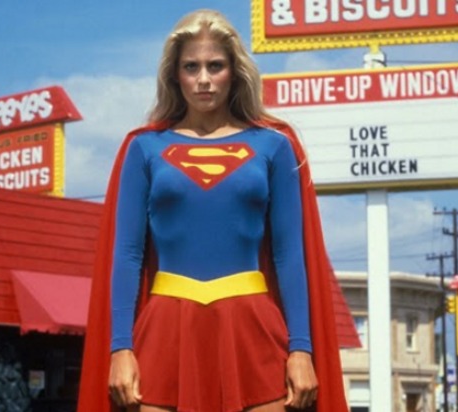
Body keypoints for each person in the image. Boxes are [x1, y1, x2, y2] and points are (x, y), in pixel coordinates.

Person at [78, 9, 349, 412]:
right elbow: (128, 255)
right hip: (165, 330)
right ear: (175, 75)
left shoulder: (274, 146)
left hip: (253, 329)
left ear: (234, 72)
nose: (203, 79)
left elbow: (290, 254)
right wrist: (120, 348)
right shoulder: (143, 148)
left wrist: (301, 349)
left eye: (215, 66)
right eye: (191, 67)